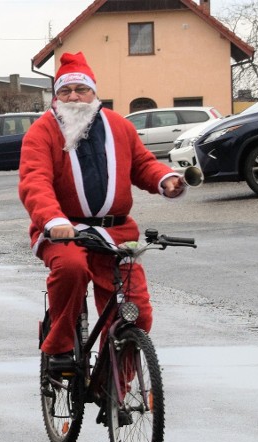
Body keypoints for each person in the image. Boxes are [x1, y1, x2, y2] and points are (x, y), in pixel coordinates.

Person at [18, 52, 186, 373]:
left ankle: (114, 382)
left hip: (117, 232)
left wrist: (166, 180)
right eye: (66, 91)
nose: (74, 97)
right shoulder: (42, 131)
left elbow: (143, 165)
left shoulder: (119, 126)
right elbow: (34, 181)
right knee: (71, 269)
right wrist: (54, 220)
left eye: (81, 89)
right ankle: (60, 347)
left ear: (95, 92)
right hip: (62, 230)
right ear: (57, 96)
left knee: (137, 310)